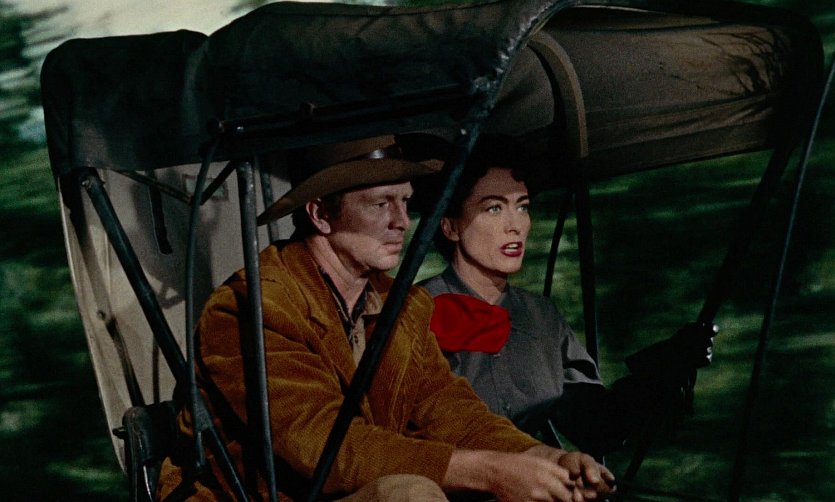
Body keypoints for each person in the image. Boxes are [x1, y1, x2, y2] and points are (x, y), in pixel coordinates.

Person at [156, 135, 616, 501]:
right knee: (410, 495)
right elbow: (324, 448)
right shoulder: (251, 309)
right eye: (381, 204)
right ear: (320, 214)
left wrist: (543, 458)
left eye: (404, 201)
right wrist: (491, 471)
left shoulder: (400, 305)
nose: (401, 221)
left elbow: (448, 409)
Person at [417, 135, 716, 458]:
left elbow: (596, 425)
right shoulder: (414, 312)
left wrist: (664, 368)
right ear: (450, 226)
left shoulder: (541, 316)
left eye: (523, 207)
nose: (515, 225)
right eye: (494, 208)